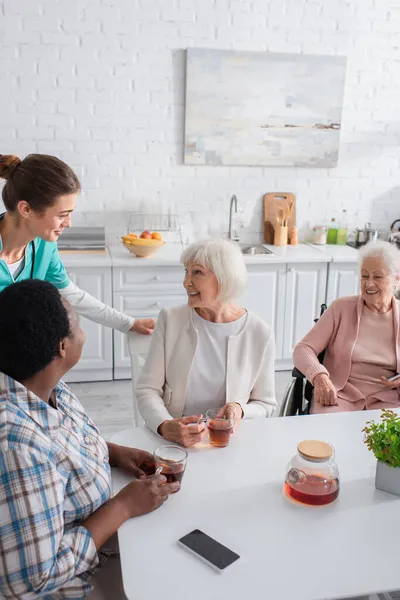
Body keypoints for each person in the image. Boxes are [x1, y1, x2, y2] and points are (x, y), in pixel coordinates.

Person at [0, 279, 178, 600]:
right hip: (80, 584)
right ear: (62, 348)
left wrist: (111, 452)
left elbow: (58, 448)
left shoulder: (36, 379)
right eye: (78, 325)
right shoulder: (16, 447)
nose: (83, 333)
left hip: (112, 542)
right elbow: (34, 580)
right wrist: (123, 506)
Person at [136, 238, 276, 447]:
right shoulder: (171, 320)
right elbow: (147, 389)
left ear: (224, 277)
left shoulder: (259, 332)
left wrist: (240, 408)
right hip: (174, 444)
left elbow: (266, 404)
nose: (186, 282)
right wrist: (166, 426)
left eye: (197, 272)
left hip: (229, 442)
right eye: (186, 271)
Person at [0, 153, 154, 335]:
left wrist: (129, 324)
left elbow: (71, 294)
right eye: (62, 215)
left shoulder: (44, 244)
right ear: (26, 209)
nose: (68, 223)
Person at [293, 240, 400, 413]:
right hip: (338, 395)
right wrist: (319, 376)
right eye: (365, 276)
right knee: (327, 437)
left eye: (378, 277)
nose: (369, 284)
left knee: (389, 440)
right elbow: (303, 349)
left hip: (388, 400)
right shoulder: (341, 309)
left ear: (396, 279)